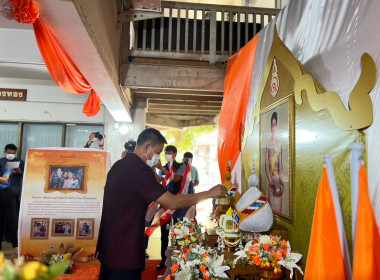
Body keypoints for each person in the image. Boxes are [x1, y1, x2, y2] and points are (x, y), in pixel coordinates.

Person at [96, 128, 227, 280]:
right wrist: (209, 193)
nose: (158, 157)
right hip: (124, 253)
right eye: (158, 152)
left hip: (110, 249)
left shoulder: (120, 165)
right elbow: (171, 202)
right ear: (147, 148)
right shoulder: (138, 169)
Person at [155, 145, 186, 270]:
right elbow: (159, 180)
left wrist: (161, 168)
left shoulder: (181, 166)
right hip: (165, 205)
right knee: (164, 234)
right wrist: (153, 169)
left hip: (178, 204)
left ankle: (179, 261)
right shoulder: (165, 167)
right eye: (166, 152)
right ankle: (164, 260)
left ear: (175, 154)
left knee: (179, 233)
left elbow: (176, 179)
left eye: (169, 152)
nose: (167, 154)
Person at [264, 112, 284, 213]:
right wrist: (270, 180)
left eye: (275, 124)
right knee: (271, 212)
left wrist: (281, 183)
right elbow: (266, 166)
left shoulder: (280, 144)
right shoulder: (268, 144)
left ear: (277, 126)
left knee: (279, 212)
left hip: (278, 183)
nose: (273, 127)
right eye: (272, 125)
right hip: (271, 182)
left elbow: (281, 166)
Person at [0, 155, 18, 250]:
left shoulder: (5, 168)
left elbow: (4, 180)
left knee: (12, 221)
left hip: (7, 195)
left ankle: (16, 246)